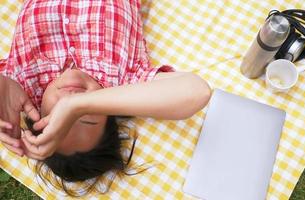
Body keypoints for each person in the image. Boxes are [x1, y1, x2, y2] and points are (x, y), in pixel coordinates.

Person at [0, 0, 211, 196]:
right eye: (85, 116)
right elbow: (197, 91)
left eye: (57, 116)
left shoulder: (19, 84)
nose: (70, 98)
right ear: (109, 112)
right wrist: (77, 105)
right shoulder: (125, 82)